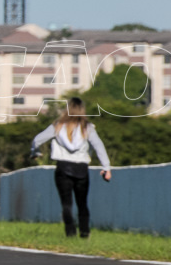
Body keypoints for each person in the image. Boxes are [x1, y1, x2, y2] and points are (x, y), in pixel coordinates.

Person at [30, 97, 112, 238]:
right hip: (81, 168)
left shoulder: (58, 125)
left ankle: (70, 233)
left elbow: (37, 139)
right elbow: (98, 146)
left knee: (66, 204)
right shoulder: (88, 127)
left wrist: (35, 152)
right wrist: (107, 167)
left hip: (63, 168)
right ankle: (85, 232)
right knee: (82, 203)